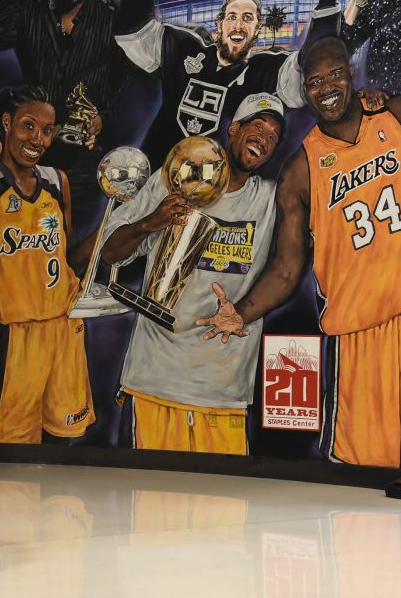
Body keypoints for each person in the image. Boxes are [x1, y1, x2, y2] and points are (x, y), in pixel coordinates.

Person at [198, 38, 401, 471]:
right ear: (304, 90)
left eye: (335, 74)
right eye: (314, 80)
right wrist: (241, 313)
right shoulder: (301, 169)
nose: (326, 87)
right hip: (359, 331)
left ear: (352, 72)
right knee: (364, 475)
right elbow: (288, 268)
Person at [100, 92, 285, 455]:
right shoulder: (175, 177)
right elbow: (110, 251)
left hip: (224, 391)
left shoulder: (270, 199)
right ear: (233, 130)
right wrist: (152, 222)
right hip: (155, 380)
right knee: (148, 505)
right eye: (257, 126)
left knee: (223, 511)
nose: (264, 137)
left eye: (273, 135)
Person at [0, 85, 95, 445]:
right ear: (6, 122)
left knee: (61, 443)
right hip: (13, 337)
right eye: (28, 126)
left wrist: (114, 233)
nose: (38, 139)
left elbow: (66, 256)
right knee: (9, 453)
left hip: (62, 331)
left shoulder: (58, 181)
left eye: (46, 130)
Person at [0, 0, 134, 240]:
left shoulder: (111, 18)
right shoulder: (30, 6)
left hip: (84, 162)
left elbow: (128, 86)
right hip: (30, 156)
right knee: (22, 240)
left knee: (71, 245)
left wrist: (104, 119)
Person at [114, 0, 340, 168]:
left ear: (258, 28)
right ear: (219, 23)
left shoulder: (264, 71)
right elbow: (132, 34)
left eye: (248, 18)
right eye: (232, 17)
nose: (238, 25)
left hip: (209, 204)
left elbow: (314, 67)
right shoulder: (185, 47)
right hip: (151, 184)